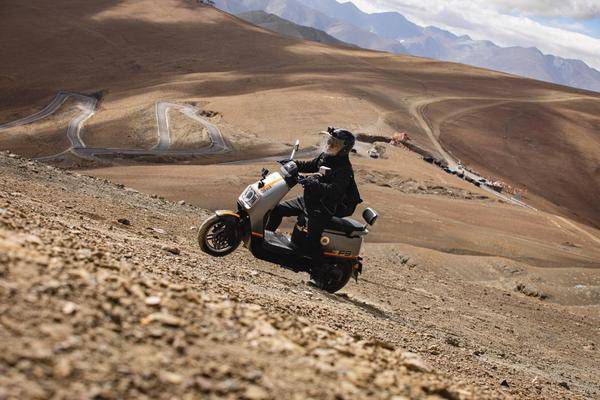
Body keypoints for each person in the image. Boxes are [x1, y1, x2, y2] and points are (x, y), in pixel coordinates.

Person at [265, 127, 361, 260]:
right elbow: (310, 165)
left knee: (312, 240)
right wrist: (293, 164)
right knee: (277, 210)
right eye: (330, 140)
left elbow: (335, 192)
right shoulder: (326, 156)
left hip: (325, 206)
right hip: (311, 200)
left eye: (334, 143)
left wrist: (315, 185)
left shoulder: (344, 169)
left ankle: (317, 268)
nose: (329, 144)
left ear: (344, 149)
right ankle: (266, 242)